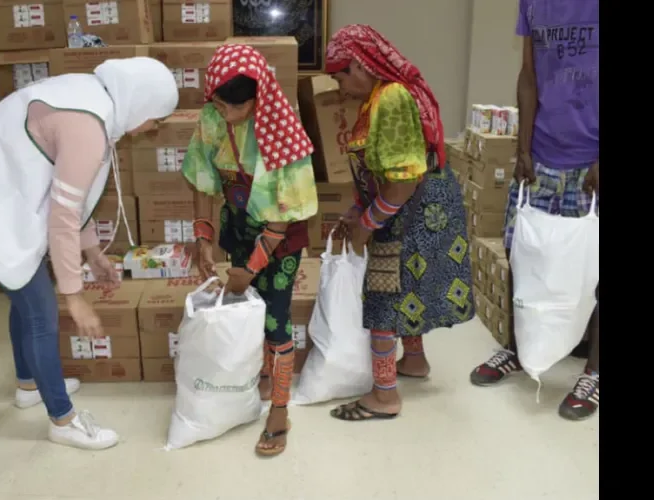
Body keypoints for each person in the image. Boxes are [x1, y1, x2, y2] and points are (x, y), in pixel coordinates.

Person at [0, 58, 179, 449]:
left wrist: (93, 254)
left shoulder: (94, 100)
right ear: (141, 103)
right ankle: (62, 421)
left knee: (24, 300)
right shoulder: (88, 126)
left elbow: (71, 198)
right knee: (41, 313)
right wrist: (74, 295)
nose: (153, 127)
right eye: (156, 119)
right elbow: (63, 214)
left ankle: (29, 384)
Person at [324, 25, 474, 421]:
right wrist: (360, 210)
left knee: (384, 295)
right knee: (409, 280)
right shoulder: (381, 97)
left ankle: (384, 395)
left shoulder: (390, 99)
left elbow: (405, 177)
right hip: (417, 206)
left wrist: (369, 222)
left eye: (341, 76)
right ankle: (415, 360)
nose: (340, 87)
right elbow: (386, 169)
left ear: (360, 64)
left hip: (411, 207)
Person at [181, 44, 318, 456]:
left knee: (276, 321)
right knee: (245, 309)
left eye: (235, 108)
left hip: (279, 241)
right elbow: (203, 178)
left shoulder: (282, 130)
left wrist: (251, 267)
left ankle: (280, 408)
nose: (225, 114)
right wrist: (204, 235)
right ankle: (256, 375)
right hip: (238, 230)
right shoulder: (212, 118)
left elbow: (283, 217)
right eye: (219, 104)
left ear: (259, 99)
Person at [470, 0, 599, 421]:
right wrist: (522, 147)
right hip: (540, 155)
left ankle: (593, 373)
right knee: (521, 255)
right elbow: (528, 76)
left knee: (595, 271)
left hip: (592, 159)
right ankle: (517, 348)